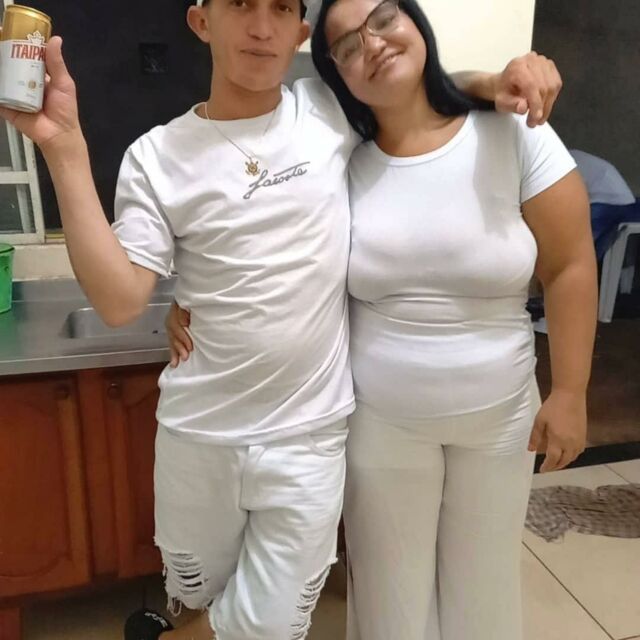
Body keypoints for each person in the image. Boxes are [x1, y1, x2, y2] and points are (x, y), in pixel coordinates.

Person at [0, 0, 565, 637]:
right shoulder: (156, 157)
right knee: (203, 598)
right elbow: (120, 301)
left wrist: (492, 80)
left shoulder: (325, 112)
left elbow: (410, 87)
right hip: (199, 434)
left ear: (300, 32)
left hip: (310, 436)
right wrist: (65, 150)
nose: (261, 27)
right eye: (240, 5)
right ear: (202, 22)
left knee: (267, 625)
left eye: (280, 8)